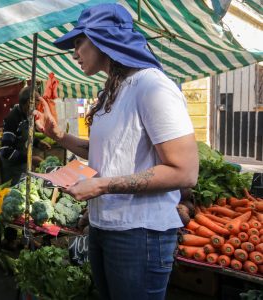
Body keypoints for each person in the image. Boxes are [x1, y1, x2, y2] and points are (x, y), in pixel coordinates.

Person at [35, 4, 198, 300]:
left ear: (101, 38)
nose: (74, 54)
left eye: (77, 43)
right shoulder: (113, 90)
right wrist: (57, 135)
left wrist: (101, 185)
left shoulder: (152, 86)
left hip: (140, 234)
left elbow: (185, 171)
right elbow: (102, 150)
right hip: (104, 228)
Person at [0, 86, 51, 185]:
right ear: (29, 102)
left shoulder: (27, 115)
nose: (38, 105)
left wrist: (37, 143)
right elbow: (5, 151)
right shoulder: (12, 119)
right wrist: (30, 158)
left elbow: (23, 136)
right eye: (37, 101)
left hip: (22, 165)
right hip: (12, 170)